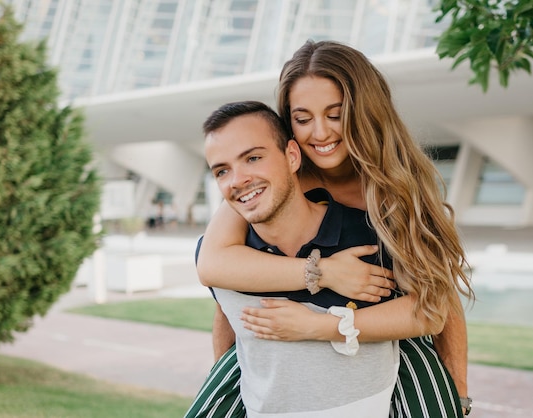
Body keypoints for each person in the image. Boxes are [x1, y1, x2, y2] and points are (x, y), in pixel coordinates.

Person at [189, 40, 474, 418]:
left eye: (335, 114)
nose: (319, 133)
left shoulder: (399, 192)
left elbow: (440, 301)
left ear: (364, 111)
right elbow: (218, 273)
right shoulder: (273, 181)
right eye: (303, 119)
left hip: (389, 347)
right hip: (274, 355)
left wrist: (459, 394)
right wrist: (324, 272)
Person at [195, 100, 429, 417]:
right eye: (222, 171)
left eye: (253, 158)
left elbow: (430, 310)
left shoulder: (372, 234)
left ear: (292, 156)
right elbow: (227, 318)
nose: (238, 179)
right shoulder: (220, 252)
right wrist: (323, 272)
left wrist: (322, 326)